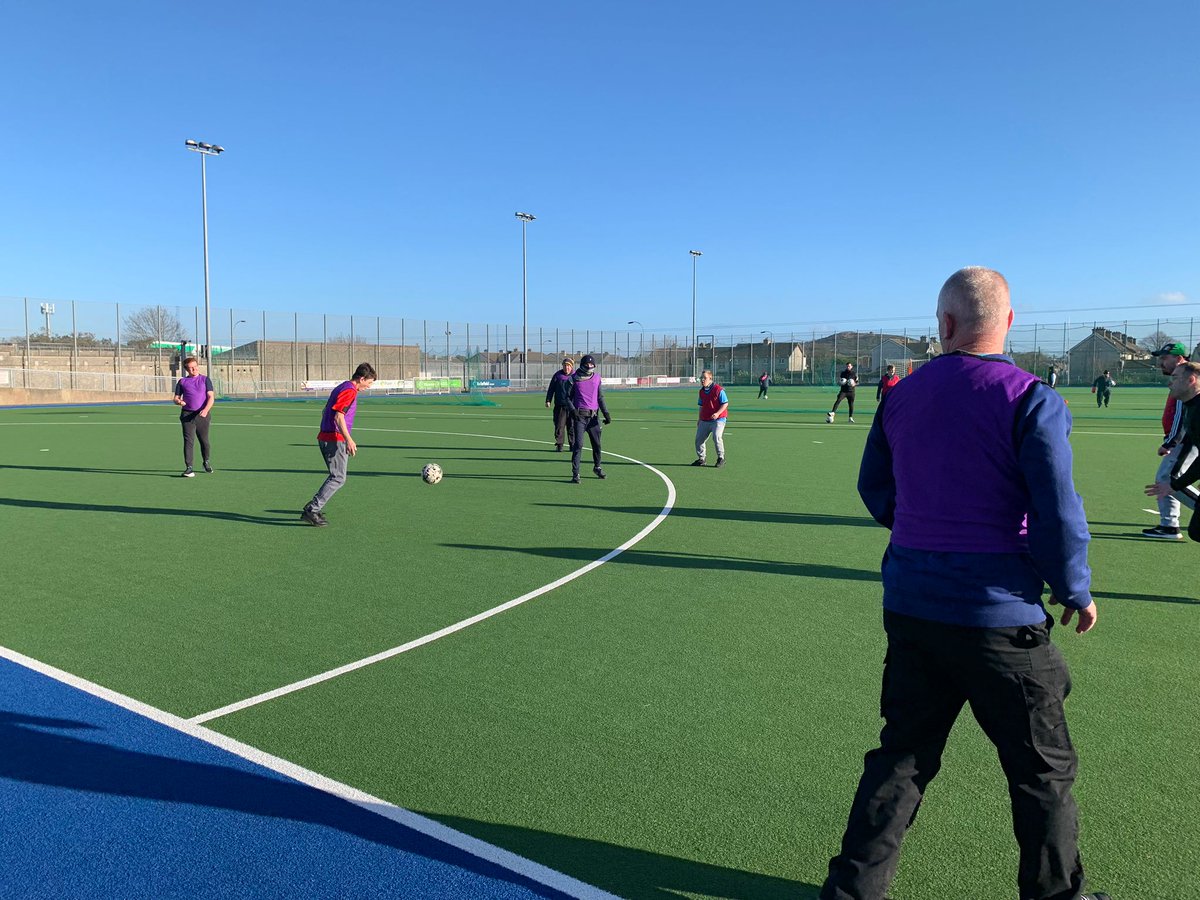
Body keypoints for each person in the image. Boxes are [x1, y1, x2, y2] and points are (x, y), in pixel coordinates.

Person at [821, 267, 1109, 900]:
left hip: (914, 609)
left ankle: (851, 892)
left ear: (944, 325)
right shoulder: (1030, 397)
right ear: (1008, 322)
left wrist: (925, 528)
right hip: (999, 619)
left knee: (902, 757)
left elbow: (876, 489)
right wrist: (1075, 589)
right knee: (1042, 772)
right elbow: (1059, 510)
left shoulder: (902, 393)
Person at [301, 363, 377, 526]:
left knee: (337, 476)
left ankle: (313, 506)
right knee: (338, 477)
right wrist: (349, 439)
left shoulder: (343, 386)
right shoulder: (349, 391)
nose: (369, 386)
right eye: (369, 382)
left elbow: (325, 410)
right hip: (334, 439)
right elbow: (338, 417)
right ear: (361, 379)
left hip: (328, 436)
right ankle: (312, 510)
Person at [1142, 342, 1196, 540]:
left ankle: (1171, 525)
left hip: (1186, 439)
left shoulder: (1185, 379)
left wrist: (1171, 441)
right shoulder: (1180, 377)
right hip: (1182, 439)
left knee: (1170, 479)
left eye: (1165, 358)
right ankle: (1169, 525)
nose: (1161, 363)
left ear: (1179, 358)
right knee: (1166, 478)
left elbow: (1183, 416)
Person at [568, 354, 610, 483]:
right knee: (578, 445)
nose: (590, 367)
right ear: (583, 365)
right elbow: (567, 397)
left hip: (594, 417)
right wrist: (573, 410)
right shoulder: (573, 378)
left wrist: (606, 413)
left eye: (592, 365)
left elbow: (600, 397)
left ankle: (597, 467)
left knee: (597, 444)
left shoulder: (597, 378)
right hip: (579, 416)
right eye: (588, 365)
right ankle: (576, 474)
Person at [172, 356, 214, 477]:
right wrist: (179, 402)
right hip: (187, 415)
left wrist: (206, 410)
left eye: (195, 367)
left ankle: (206, 462)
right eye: (190, 368)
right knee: (188, 441)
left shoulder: (205, 380)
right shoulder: (182, 382)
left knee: (204, 441)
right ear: (186, 369)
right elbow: (175, 398)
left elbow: (211, 397)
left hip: (202, 414)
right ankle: (189, 468)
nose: (193, 370)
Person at [692, 369, 728, 468]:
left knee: (716, 437)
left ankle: (721, 458)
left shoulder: (718, 389)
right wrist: (699, 419)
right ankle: (701, 459)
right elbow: (701, 406)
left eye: (705, 378)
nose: (702, 380)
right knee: (699, 440)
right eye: (701, 378)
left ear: (710, 378)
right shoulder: (701, 392)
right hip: (705, 419)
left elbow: (725, 403)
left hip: (718, 419)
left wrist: (717, 413)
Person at [545, 357, 576, 451]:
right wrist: (548, 400)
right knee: (559, 426)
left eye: (568, 366)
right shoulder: (557, 376)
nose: (566, 367)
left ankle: (572, 445)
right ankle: (559, 445)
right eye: (565, 365)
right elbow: (551, 389)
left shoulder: (576, 376)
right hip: (560, 406)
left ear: (571, 367)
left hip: (573, 407)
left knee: (572, 427)